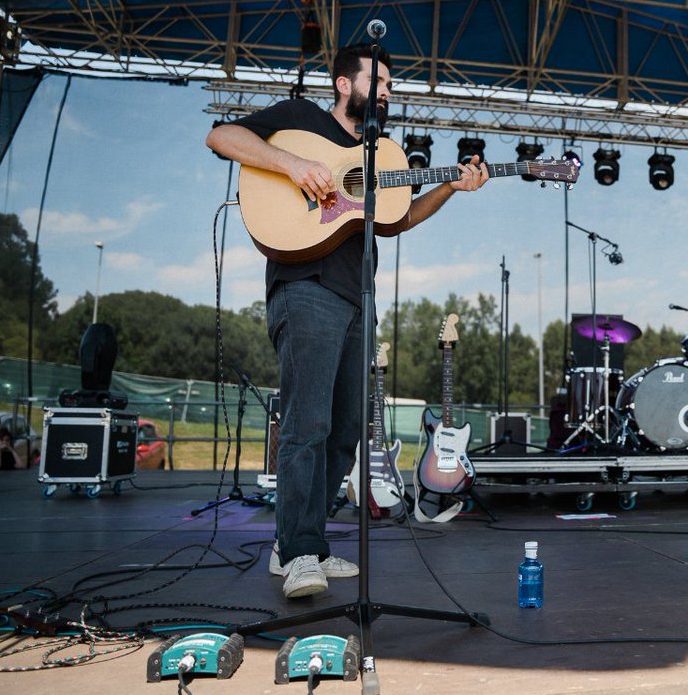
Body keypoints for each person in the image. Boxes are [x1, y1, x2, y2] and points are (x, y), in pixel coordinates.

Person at [206, 44, 489, 599]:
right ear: (343, 83)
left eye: (390, 84)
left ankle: (305, 542)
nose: (387, 92)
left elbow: (397, 218)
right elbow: (221, 136)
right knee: (305, 425)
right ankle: (294, 551)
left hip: (359, 295)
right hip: (306, 287)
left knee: (347, 429)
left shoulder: (383, 152)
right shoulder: (300, 122)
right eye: (379, 81)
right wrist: (294, 165)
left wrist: (452, 187)